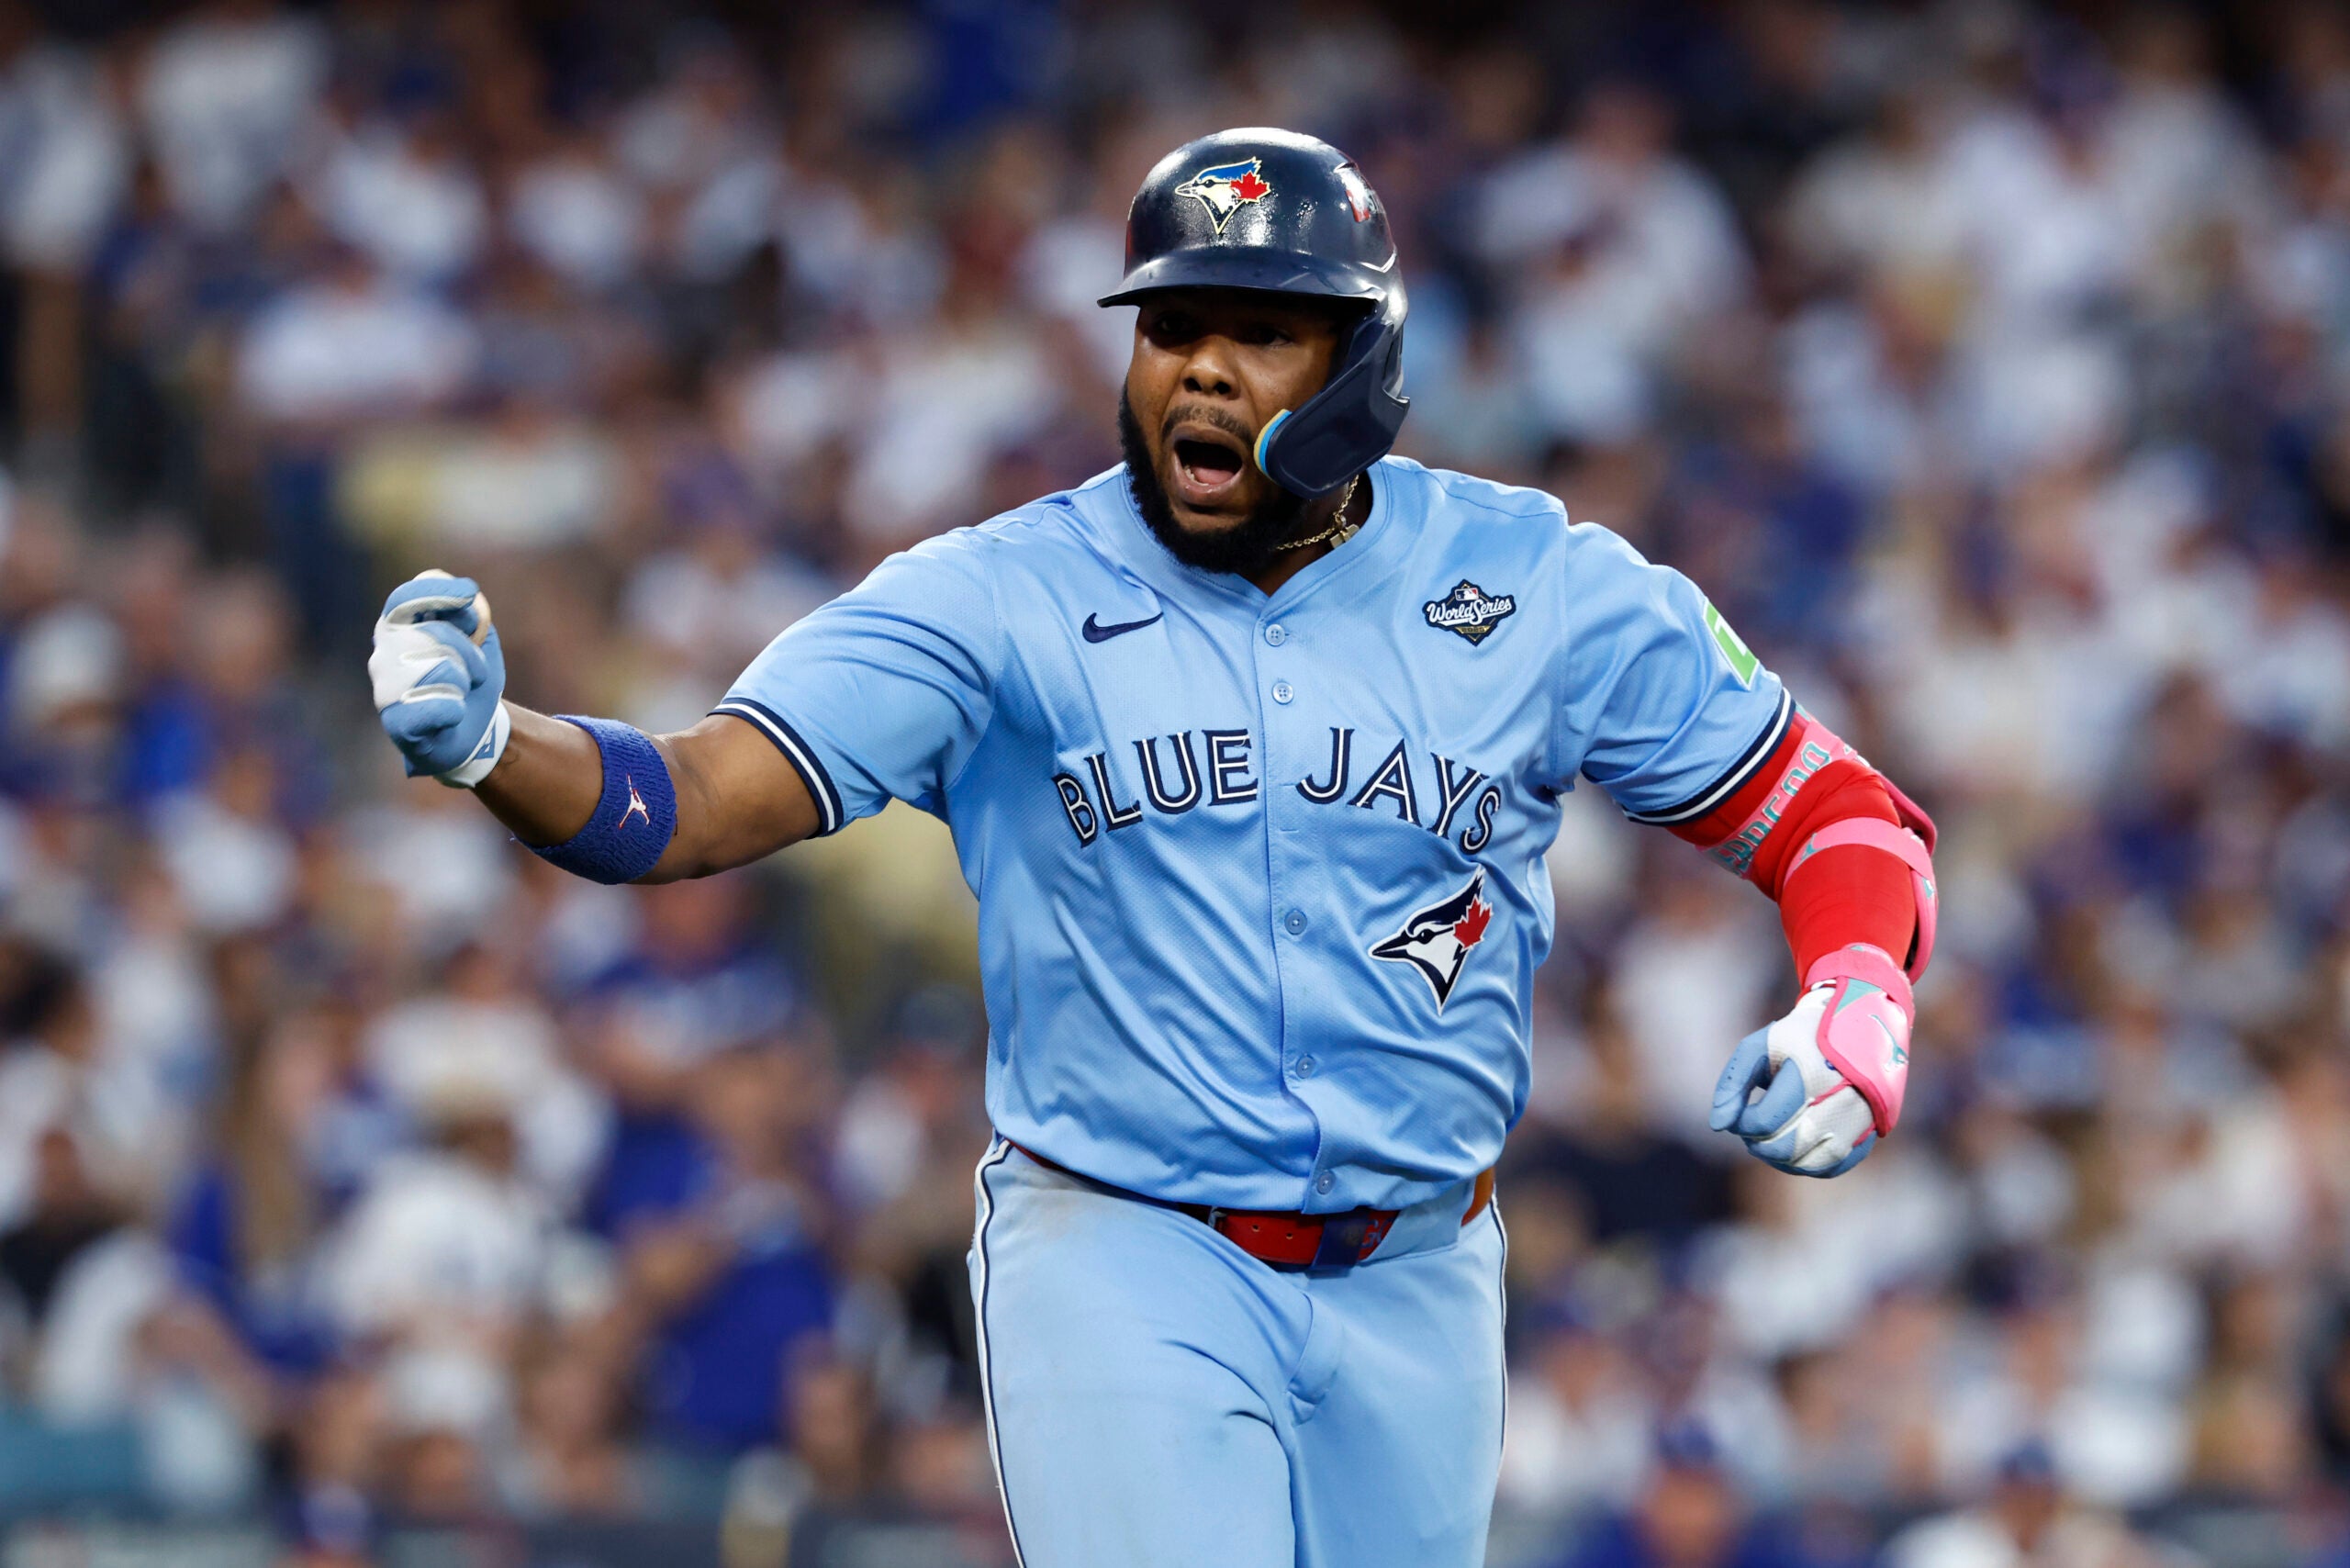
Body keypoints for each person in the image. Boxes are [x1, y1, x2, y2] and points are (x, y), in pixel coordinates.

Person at [365, 128, 1937, 1568]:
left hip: (1424, 1268)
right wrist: (503, 748)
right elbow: (697, 799)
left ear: (1361, 363)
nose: (1202, 372)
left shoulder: (1538, 583)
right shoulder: (999, 594)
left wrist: (1858, 993)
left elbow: (1839, 816)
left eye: (1263, 331)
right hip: (1124, 1250)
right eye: (1173, 328)